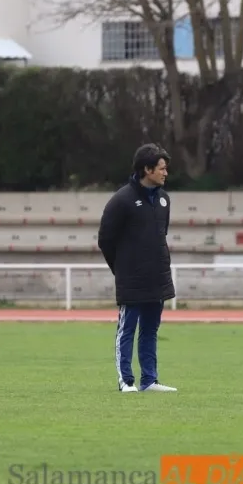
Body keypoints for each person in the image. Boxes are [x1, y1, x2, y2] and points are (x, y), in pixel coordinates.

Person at [97, 143, 178, 393]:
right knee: (127, 330)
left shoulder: (164, 200)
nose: (166, 173)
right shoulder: (122, 200)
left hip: (157, 277)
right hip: (131, 278)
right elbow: (105, 240)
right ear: (147, 169)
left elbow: (159, 236)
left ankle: (149, 380)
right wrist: (121, 269)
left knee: (150, 330)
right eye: (162, 168)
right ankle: (126, 381)